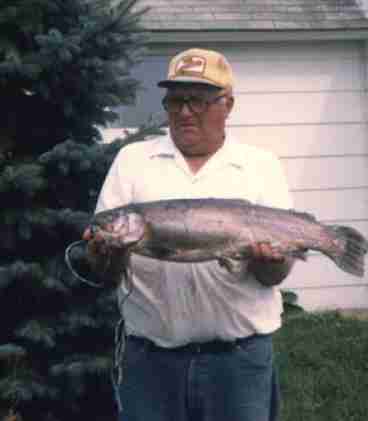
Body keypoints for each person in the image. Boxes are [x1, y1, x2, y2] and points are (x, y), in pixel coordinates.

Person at [84, 48, 295, 421]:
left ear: (227, 105)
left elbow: (273, 277)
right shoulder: (132, 161)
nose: (184, 112)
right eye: (175, 101)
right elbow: (105, 273)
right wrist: (106, 251)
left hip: (239, 361)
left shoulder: (261, 166)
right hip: (149, 362)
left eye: (197, 101)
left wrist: (272, 261)